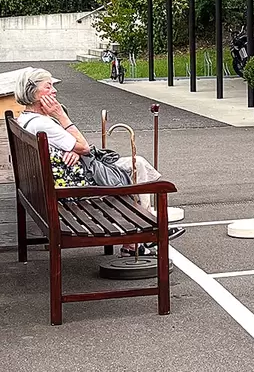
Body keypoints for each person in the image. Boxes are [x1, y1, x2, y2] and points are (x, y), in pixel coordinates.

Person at [13, 68, 184, 256]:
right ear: (34, 93)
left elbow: (73, 147)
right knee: (136, 166)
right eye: (48, 87)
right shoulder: (44, 123)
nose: (54, 91)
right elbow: (84, 146)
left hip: (52, 184)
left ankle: (141, 232)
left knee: (136, 164)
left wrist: (74, 150)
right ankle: (144, 232)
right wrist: (62, 116)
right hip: (74, 187)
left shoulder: (27, 119)